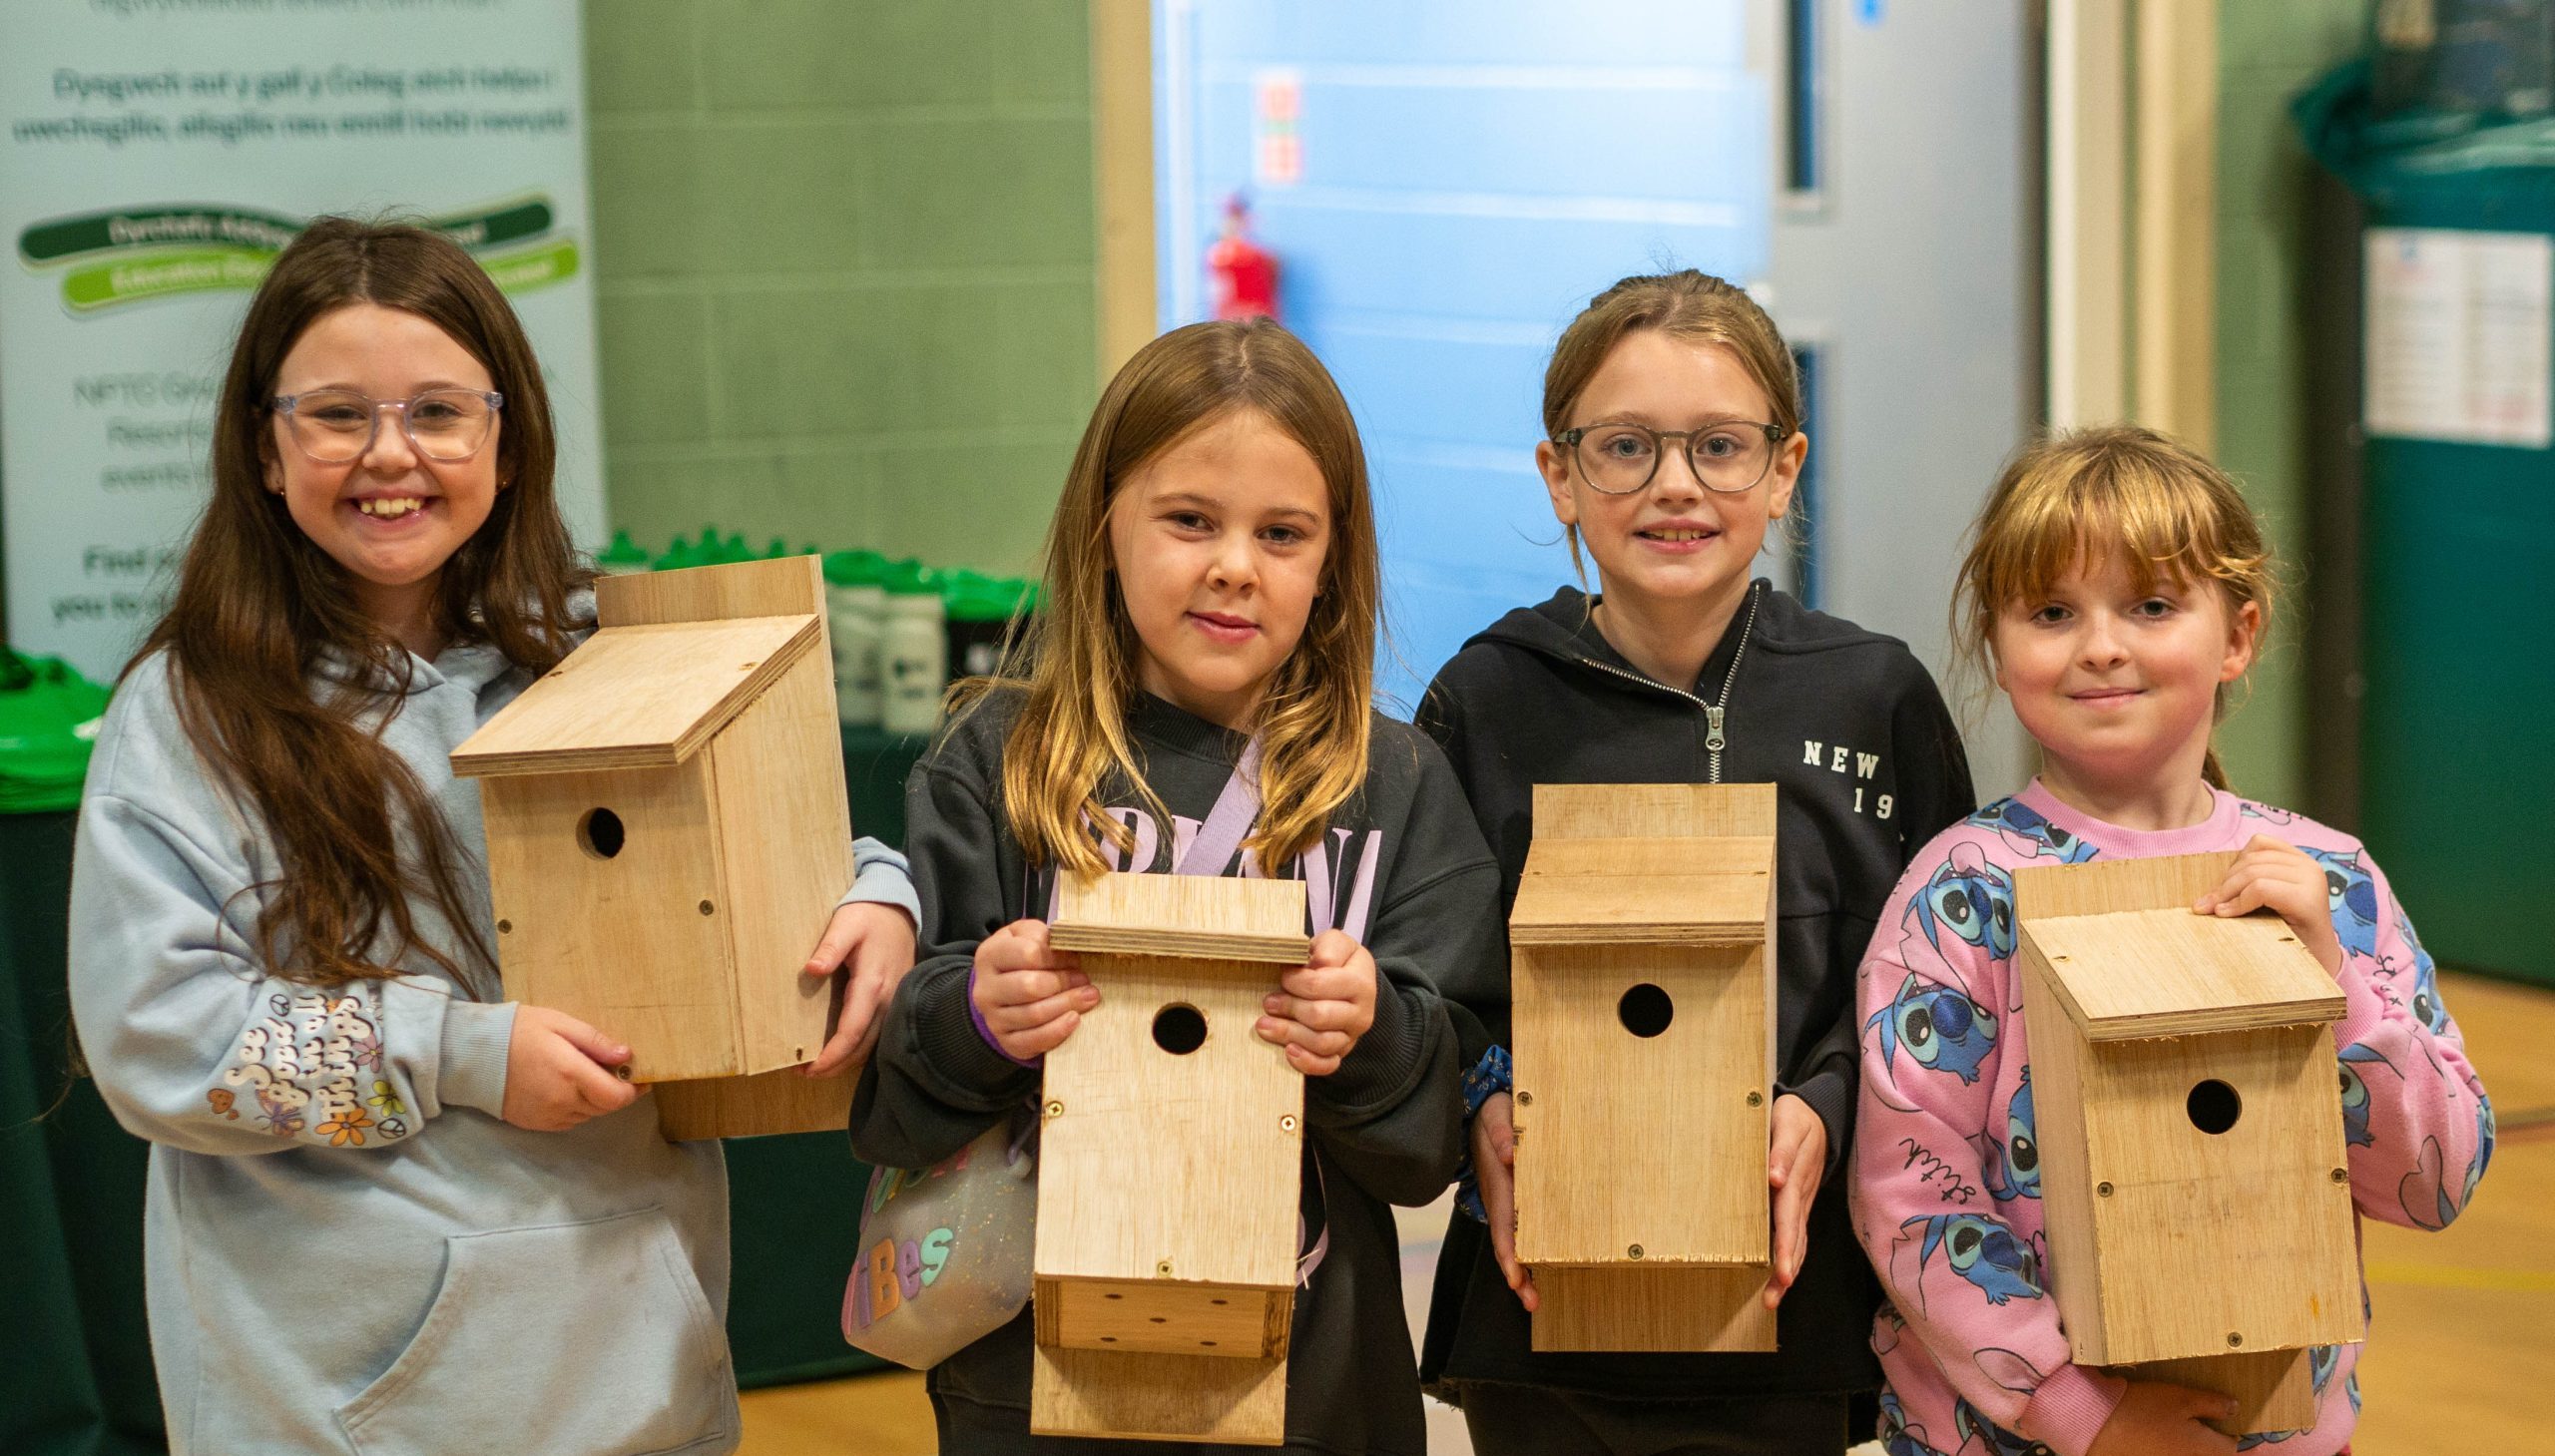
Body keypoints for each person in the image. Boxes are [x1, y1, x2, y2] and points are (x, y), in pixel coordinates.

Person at [67, 217, 919, 1455]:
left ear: (506, 441)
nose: (390, 454)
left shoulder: (606, 650)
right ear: (265, 445)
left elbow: (774, 845)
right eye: (337, 414)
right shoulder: (195, 711)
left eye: (438, 412)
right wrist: (460, 1053)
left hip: (640, 1369)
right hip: (334, 1399)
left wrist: (876, 895)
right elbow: (160, 1041)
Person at [851, 317, 1501, 1454]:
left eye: (1283, 532)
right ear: (1105, 522)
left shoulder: (1395, 787)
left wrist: (1372, 1035)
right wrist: (973, 1015)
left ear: (1332, 560)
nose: (1233, 565)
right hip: (1033, 1389)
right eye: (1189, 519)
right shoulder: (1001, 759)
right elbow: (888, 1098)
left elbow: (1426, 1149)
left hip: (1316, 1390)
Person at [1416, 268, 1977, 1455]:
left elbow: (1935, 984)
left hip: (1798, 1300)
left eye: (1719, 446)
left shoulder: (1874, 696)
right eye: (1624, 446)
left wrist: (1825, 1102)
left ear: (1783, 468)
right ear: (1558, 472)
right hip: (1543, 1307)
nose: (1674, 484)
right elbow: (1434, 977)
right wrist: (1482, 1099)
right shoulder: (1485, 700)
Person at [1849, 424, 2494, 1456]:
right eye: (2052, 611)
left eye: (2149, 605)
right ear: (1998, 642)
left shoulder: (2331, 881)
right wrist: (2079, 1410)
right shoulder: (1960, 894)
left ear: (2236, 634)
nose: (2100, 644)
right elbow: (1910, 1190)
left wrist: (2335, 982)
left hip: (2268, 1431)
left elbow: (2437, 1178)